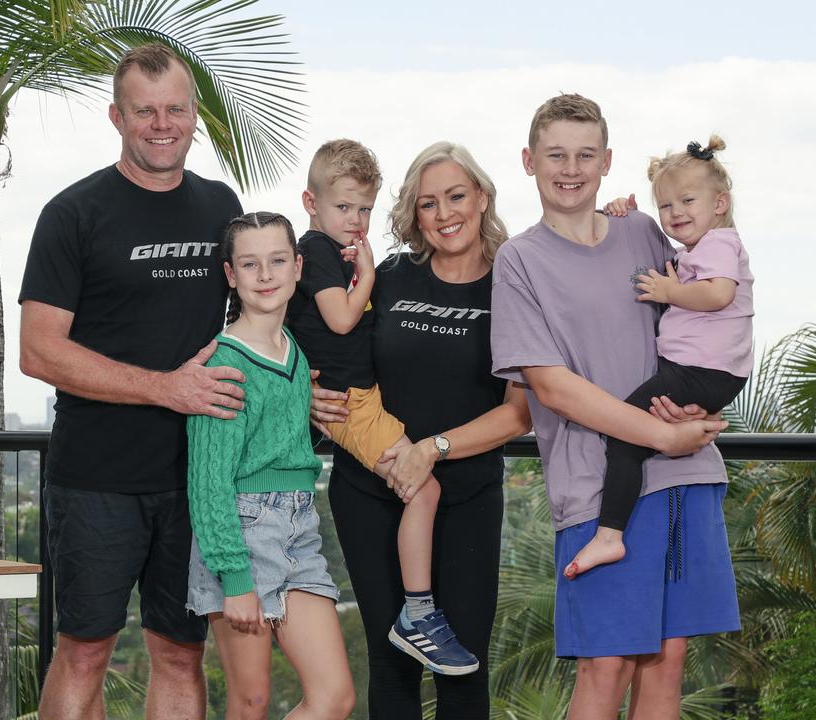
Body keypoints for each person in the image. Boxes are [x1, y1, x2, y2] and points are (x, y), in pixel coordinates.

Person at [490, 94, 738, 720]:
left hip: (687, 472)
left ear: (607, 162)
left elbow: (717, 305)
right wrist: (660, 435)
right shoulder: (519, 261)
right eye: (555, 155)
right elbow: (551, 388)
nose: (570, 168)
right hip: (600, 490)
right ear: (528, 161)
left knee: (667, 661)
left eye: (585, 154)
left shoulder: (645, 232)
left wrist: (705, 407)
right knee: (607, 668)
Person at [18, 43, 244, 720]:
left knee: (180, 651)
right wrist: (164, 388)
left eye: (174, 108)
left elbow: (256, 314)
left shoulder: (220, 206)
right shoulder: (73, 213)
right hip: (96, 480)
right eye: (144, 111)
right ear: (116, 116)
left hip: (198, 477)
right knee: (84, 650)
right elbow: (38, 351)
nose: (161, 123)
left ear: (194, 115)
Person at [312, 142, 533, 719]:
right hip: (371, 491)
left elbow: (519, 413)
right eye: (428, 202)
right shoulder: (387, 276)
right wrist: (307, 394)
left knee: (463, 668)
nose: (444, 213)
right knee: (391, 665)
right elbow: (331, 347)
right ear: (414, 213)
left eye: (456, 196)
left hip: (463, 496)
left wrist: (432, 451)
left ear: (482, 198)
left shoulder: (513, 286)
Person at [286, 139, 478, 675]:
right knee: (427, 487)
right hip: (352, 407)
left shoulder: (335, 253)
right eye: (343, 207)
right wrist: (367, 275)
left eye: (364, 209)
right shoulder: (320, 253)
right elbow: (343, 320)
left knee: (425, 490)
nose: (355, 220)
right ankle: (418, 613)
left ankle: (417, 613)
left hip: (361, 401)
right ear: (311, 202)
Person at [185, 211, 356, 720]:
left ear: (298, 267)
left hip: (299, 527)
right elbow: (208, 481)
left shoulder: (294, 353)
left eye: (278, 260)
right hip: (240, 530)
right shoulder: (224, 363)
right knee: (251, 700)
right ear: (230, 275)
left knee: (334, 698)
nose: (266, 275)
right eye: (250, 264)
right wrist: (235, 578)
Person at [568, 136, 754, 577]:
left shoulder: (721, 245)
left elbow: (718, 293)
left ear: (720, 203)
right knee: (644, 431)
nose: (676, 214)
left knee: (625, 434)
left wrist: (669, 292)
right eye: (666, 206)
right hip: (701, 372)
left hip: (702, 372)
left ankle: (609, 535)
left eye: (688, 200)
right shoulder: (699, 250)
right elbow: (676, 267)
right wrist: (621, 213)